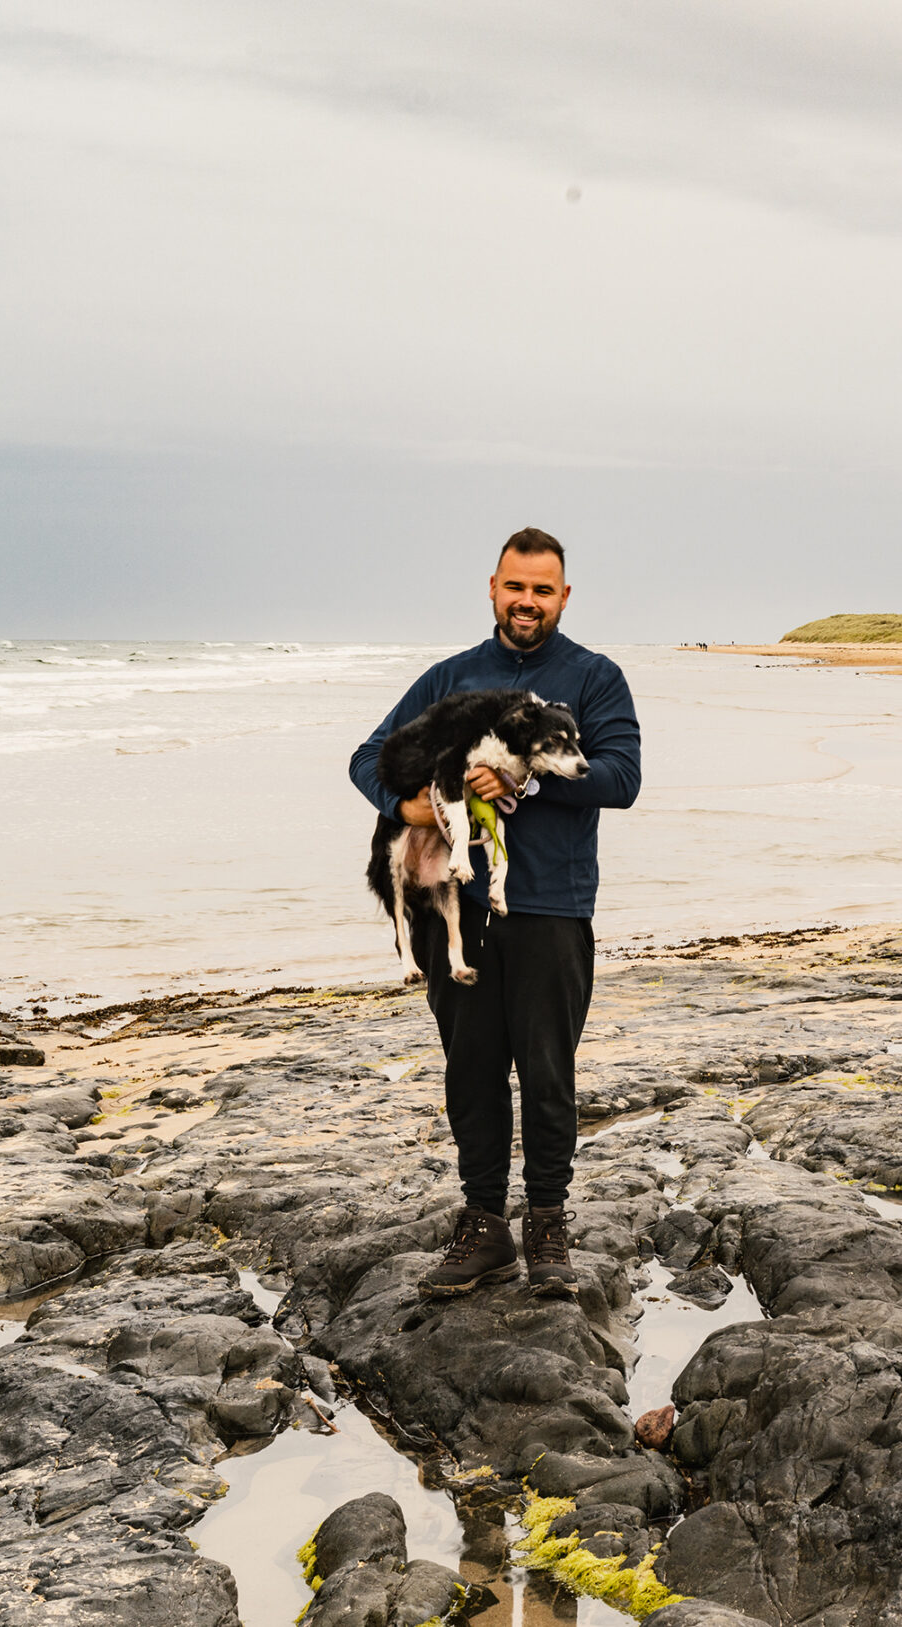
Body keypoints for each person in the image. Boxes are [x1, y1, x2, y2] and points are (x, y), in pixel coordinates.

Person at [349, 528, 642, 1296]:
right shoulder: (451, 679)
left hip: (552, 908)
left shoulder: (594, 677)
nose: (527, 602)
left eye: (543, 590)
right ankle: (484, 1226)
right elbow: (366, 755)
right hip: (456, 907)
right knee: (471, 1073)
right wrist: (409, 801)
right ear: (492, 587)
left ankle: (546, 1224)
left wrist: (525, 778)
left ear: (564, 597)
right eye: (516, 587)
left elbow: (621, 776)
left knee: (548, 1074)